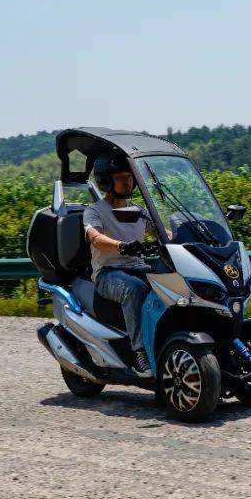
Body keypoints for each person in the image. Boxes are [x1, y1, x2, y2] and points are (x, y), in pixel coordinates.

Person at [81, 152, 156, 377]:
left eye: (129, 177)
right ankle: (139, 352)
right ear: (107, 181)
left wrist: (188, 236)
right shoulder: (94, 211)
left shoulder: (139, 211)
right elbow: (96, 238)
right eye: (120, 177)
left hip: (138, 268)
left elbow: (163, 234)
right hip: (107, 273)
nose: (127, 182)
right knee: (134, 290)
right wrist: (122, 246)